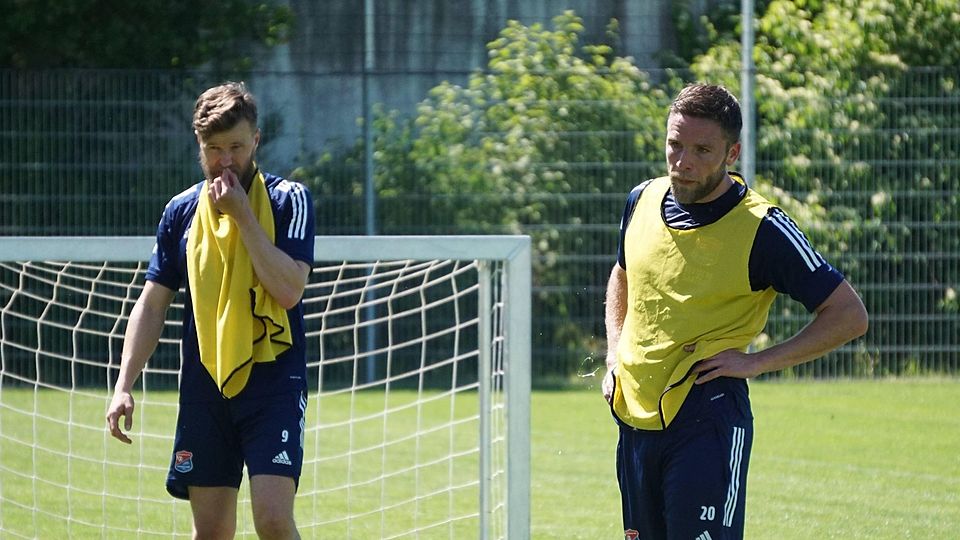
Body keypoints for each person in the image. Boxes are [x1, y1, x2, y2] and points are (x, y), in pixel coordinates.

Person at [601, 83, 868, 539]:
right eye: (674, 144)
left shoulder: (763, 228)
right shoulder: (641, 199)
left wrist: (758, 362)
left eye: (702, 149)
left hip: (708, 418)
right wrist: (614, 354)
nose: (683, 162)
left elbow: (848, 314)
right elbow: (623, 273)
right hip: (634, 417)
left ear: (732, 152)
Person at [106, 81, 315, 540]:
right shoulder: (180, 212)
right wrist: (123, 385)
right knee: (212, 532)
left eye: (236, 147)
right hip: (206, 386)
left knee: (274, 519)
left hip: (274, 384)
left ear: (256, 140)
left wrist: (243, 216)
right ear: (199, 145)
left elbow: (289, 290)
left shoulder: (287, 200)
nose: (225, 160)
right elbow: (153, 302)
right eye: (214, 148)